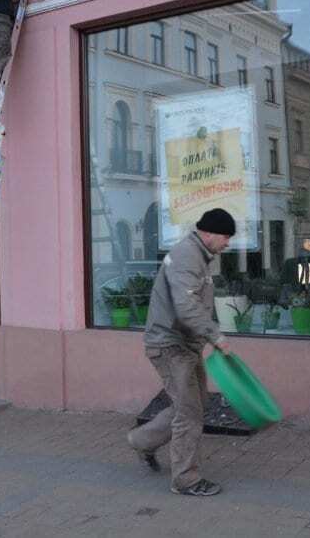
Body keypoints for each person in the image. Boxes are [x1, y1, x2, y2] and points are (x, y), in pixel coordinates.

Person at [127, 208, 235, 497]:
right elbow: (186, 306)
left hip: (183, 345)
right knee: (189, 411)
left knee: (190, 406)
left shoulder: (200, 256)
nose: (228, 243)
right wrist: (216, 336)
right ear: (209, 233)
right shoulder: (188, 256)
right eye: (225, 237)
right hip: (170, 345)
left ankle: (143, 440)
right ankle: (185, 479)